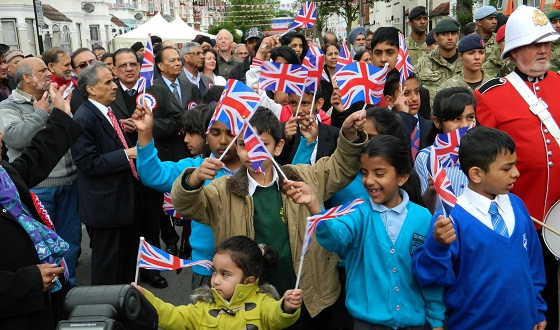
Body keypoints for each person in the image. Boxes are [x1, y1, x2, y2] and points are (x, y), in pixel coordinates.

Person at [169, 107, 368, 328]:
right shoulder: (222, 190)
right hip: (250, 305)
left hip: (305, 297)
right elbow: (186, 206)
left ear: (278, 146)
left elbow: (340, 167)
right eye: (245, 145)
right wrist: (193, 179)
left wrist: (349, 135)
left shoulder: (302, 176)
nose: (251, 152)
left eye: (261, 145)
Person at [474, 6, 560, 329]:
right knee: (533, 304)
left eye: (547, 42)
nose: (543, 50)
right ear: (513, 50)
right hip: (524, 223)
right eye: (534, 43)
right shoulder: (490, 96)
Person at [412, 126, 546, 330]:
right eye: (506, 168)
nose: (516, 173)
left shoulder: (517, 205)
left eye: (515, 165)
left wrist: (537, 308)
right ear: (476, 174)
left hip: (524, 322)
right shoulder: (450, 219)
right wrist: (437, 245)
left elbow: (533, 263)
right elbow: (429, 275)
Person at [313, 135, 445, 329]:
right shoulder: (357, 211)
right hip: (366, 324)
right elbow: (334, 238)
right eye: (364, 173)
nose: (369, 180)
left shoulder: (422, 217)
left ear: (402, 176)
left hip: (413, 323)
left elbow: (430, 271)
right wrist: (314, 207)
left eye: (379, 173)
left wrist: (436, 321)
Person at [132, 102, 241, 291]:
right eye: (215, 133)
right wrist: (145, 133)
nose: (223, 141)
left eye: (231, 133)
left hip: (247, 268)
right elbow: (153, 175)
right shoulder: (194, 168)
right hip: (207, 268)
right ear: (206, 136)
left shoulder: (256, 169)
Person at [0, 82, 81, 330]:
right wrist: (28, 281)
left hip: (40, 307)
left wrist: (59, 116)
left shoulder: (4, 175)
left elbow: (36, 158)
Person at [133, 236, 302, 329]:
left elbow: (277, 317)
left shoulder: (264, 303)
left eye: (225, 274)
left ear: (248, 280)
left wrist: (286, 307)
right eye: (214, 271)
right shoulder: (203, 307)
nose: (216, 280)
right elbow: (171, 316)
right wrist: (145, 298)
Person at [414, 87, 475, 213]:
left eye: (470, 117)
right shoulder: (426, 158)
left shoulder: (487, 153)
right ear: (437, 122)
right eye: (456, 119)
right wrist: (431, 190)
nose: (465, 125)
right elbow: (423, 209)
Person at [382, 69, 431, 161]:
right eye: (406, 93)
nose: (415, 98)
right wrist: (404, 116)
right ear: (390, 100)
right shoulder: (383, 128)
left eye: (416, 92)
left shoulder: (431, 128)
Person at [416, 18, 462, 106]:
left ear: (458, 34)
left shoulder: (466, 61)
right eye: (444, 34)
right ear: (436, 37)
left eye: (453, 33)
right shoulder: (423, 63)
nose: (450, 38)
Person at [155, 46, 202, 112]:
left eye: (179, 60)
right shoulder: (153, 88)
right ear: (160, 66)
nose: (178, 63)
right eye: (172, 61)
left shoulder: (191, 88)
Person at [473, 6, 503, 70]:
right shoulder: (469, 41)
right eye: (490, 19)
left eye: (495, 18)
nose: (494, 22)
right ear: (479, 22)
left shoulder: (501, 40)